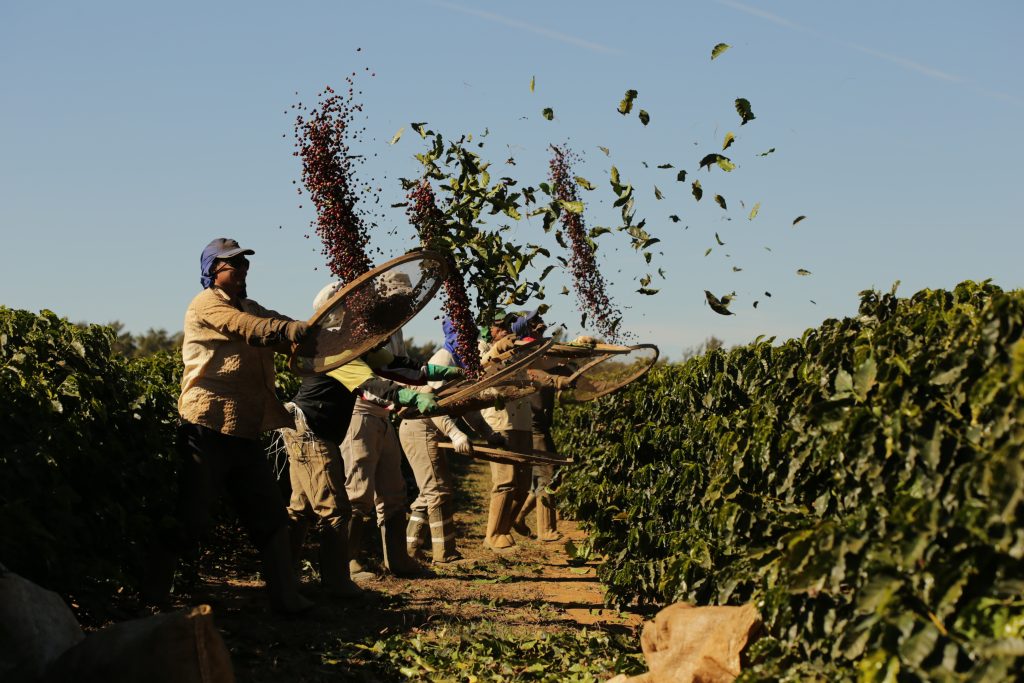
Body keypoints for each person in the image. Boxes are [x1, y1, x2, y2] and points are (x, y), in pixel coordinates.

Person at [143, 238, 313, 615]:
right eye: (231, 264)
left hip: (244, 430)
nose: (240, 270)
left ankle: (286, 600)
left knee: (270, 518)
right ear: (212, 271)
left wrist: (316, 330)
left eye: (243, 264)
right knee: (191, 517)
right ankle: (154, 601)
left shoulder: (251, 306)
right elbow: (249, 328)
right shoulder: (206, 304)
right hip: (206, 428)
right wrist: (289, 331)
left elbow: (280, 327)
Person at [398, 318, 477, 563]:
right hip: (420, 426)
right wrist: (454, 432)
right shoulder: (444, 360)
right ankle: (445, 554)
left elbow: (468, 407)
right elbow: (430, 405)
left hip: (428, 427)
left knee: (428, 491)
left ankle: (410, 548)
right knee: (438, 491)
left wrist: (488, 434)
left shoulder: (460, 363)